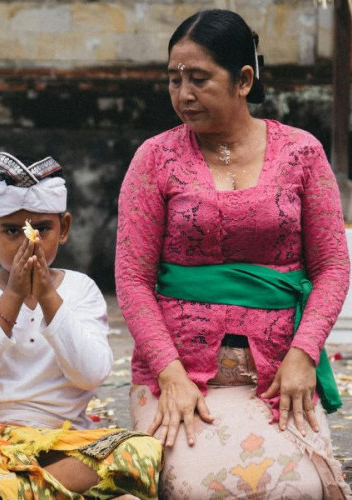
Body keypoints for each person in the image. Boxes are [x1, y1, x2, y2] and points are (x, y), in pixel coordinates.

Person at [115, 9, 352, 498]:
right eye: (173, 79)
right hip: (181, 376)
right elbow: (133, 280)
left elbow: (331, 266)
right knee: (202, 488)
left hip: (279, 375)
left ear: (244, 79)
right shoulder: (154, 158)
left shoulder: (302, 153)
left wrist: (303, 356)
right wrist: (170, 374)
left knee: (301, 488)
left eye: (198, 78)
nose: (183, 94)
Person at [0, 152, 163, 499]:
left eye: (42, 229)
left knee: (139, 452)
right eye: (11, 231)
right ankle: (40, 491)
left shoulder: (81, 289)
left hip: (61, 442)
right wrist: (13, 295)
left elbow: (90, 374)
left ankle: (5, 492)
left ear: (65, 229)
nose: (30, 243)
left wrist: (47, 297)